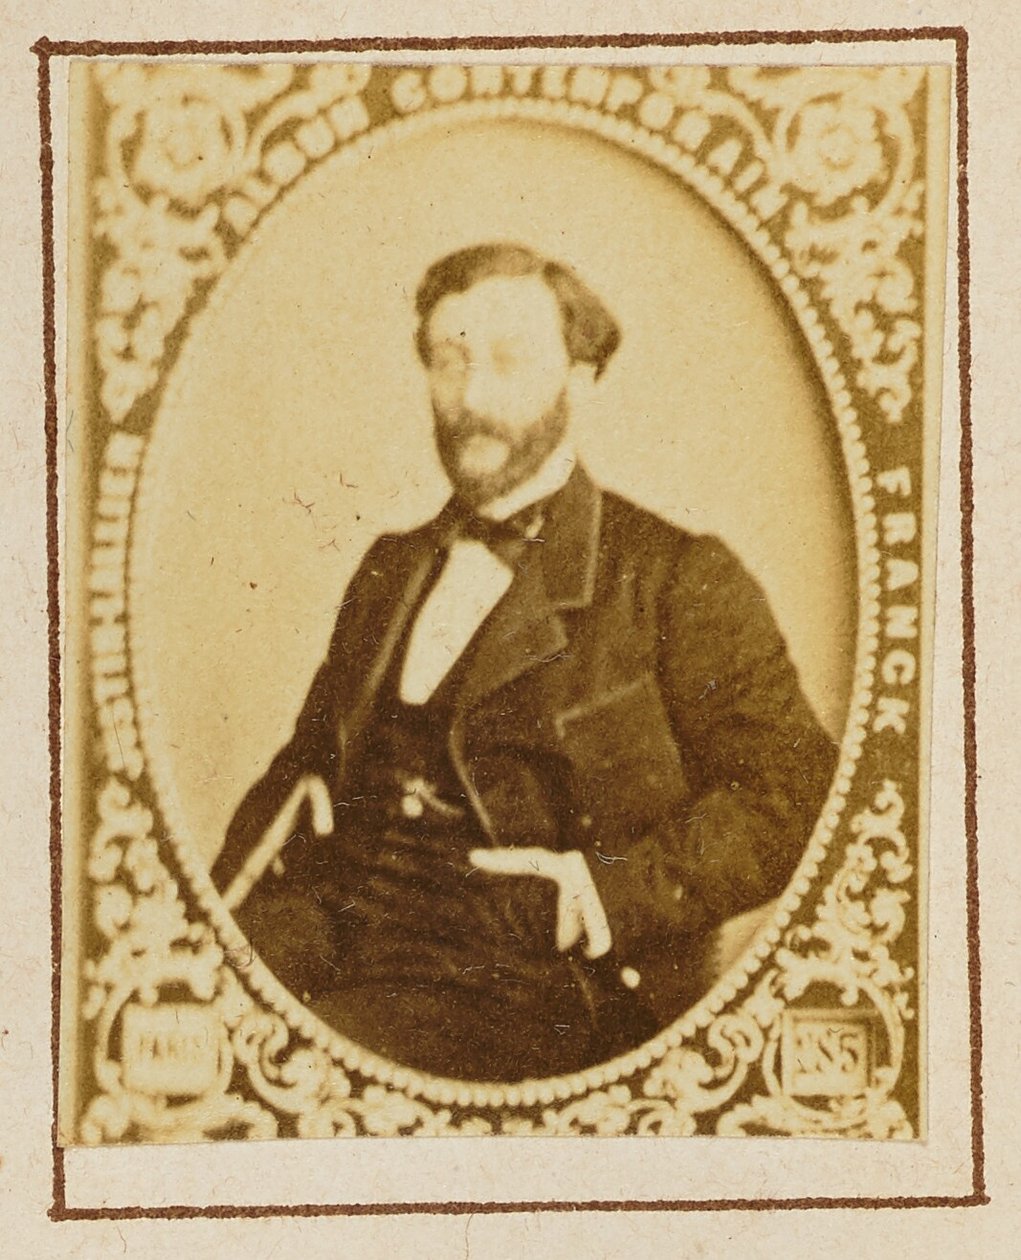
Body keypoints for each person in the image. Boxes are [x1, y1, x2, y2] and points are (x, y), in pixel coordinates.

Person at [212, 242, 837, 1082]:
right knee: (179, 1023)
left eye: (508, 360)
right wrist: (209, 925)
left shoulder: (675, 577)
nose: (472, 398)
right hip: (335, 930)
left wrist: (593, 894)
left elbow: (794, 796)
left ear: (580, 377)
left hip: (529, 979)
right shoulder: (390, 567)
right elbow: (303, 774)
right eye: (450, 360)